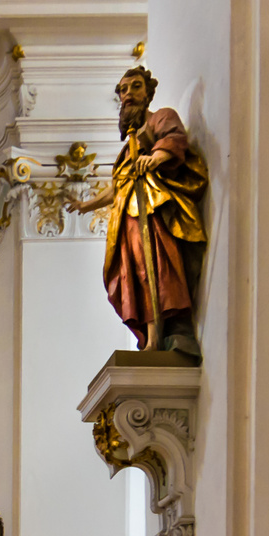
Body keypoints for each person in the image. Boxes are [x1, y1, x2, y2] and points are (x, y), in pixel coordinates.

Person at [67, 67, 208, 356]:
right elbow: (118, 187)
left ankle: (170, 333)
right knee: (136, 276)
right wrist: (86, 205)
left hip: (154, 212)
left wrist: (155, 158)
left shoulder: (160, 117)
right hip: (129, 219)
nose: (128, 94)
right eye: (123, 90)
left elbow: (174, 139)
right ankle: (151, 340)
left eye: (135, 87)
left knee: (158, 268)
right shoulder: (126, 149)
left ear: (148, 93)